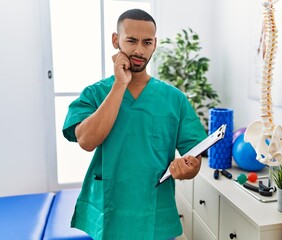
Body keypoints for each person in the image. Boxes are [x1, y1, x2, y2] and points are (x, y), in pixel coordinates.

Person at [62, 8, 207, 240]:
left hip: (155, 211)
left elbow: (195, 155)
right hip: (110, 209)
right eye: (131, 41)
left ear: (155, 44)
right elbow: (86, 141)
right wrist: (119, 85)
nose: (140, 50)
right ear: (115, 40)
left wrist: (190, 168)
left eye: (147, 42)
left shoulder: (174, 99)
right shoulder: (95, 94)